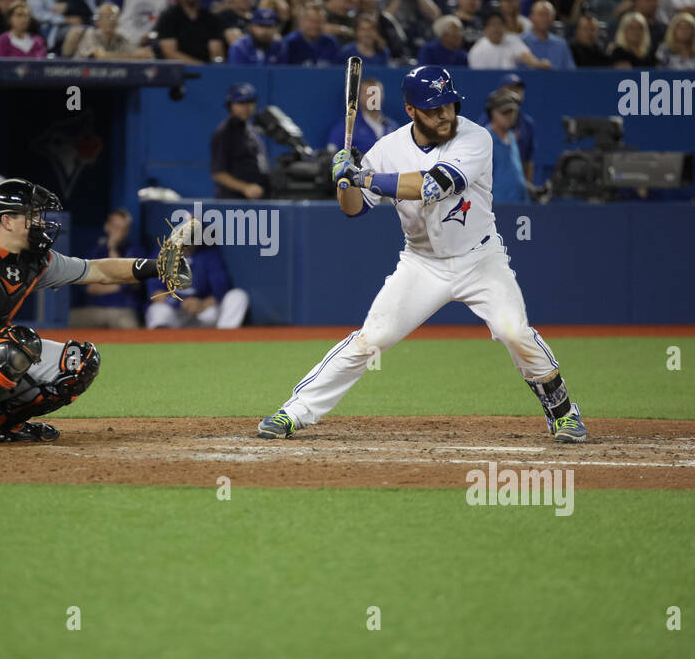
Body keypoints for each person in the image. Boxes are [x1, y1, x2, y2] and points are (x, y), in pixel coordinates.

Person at [257, 66, 587, 443]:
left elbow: (434, 184)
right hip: (422, 263)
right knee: (372, 338)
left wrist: (362, 175)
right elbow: (352, 208)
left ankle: (563, 414)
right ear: (411, 110)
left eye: (449, 104)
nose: (445, 114)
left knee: (513, 331)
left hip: (480, 259)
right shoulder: (388, 149)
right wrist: (343, 179)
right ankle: (293, 412)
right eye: (434, 108)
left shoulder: (475, 137)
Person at [0, 179, 181, 448]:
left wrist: (157, 267)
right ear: (6, 220)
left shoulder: (35, 260)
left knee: (80, 362)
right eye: (31, 215)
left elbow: (99, 270)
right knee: (14, 344)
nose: (40, 222)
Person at [70, 208, 145, 329]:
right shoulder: (94, 252)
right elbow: (88, 288)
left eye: (122, 229)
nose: (118, 232)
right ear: (107, 227)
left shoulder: (135, 251)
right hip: (93, 310)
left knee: (129, 326)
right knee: (66, 322)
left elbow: (129, 281)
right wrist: (118, 285)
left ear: (127, 231)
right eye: (115, 227)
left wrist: (113, 249)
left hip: (121, 310)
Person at [146, 245, 249, 329]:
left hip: (203, 312)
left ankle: (224, 343)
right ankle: (163, 346)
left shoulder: (209, 254)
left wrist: (203, 304)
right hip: (176, 313)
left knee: (238, 296)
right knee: (157, 311)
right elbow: (155, 293)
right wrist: (180, 303)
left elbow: (221, 290)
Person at [210, 83, 269, 200]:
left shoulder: (251, 129)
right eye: (241, 103)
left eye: (250, 103)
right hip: (233, 202)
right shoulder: (224, 133)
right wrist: (245, 188)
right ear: (230, 105)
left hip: (255, 200)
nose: (246, 107)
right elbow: (218, 173)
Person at [327, 77, 400, 153]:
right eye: (368, 93)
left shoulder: (393, 126)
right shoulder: (346, 128)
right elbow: (331, 157)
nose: (373, 97)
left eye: (377, 92)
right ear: (359, 96)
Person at [468, 12, 549, 70]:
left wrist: (538, 64)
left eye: (500, 24)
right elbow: (479, 77)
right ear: (485, 30)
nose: (496, 28)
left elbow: (526, 56)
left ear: (505, 28)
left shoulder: (512, 40)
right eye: (493, 24)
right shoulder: (477, 51)